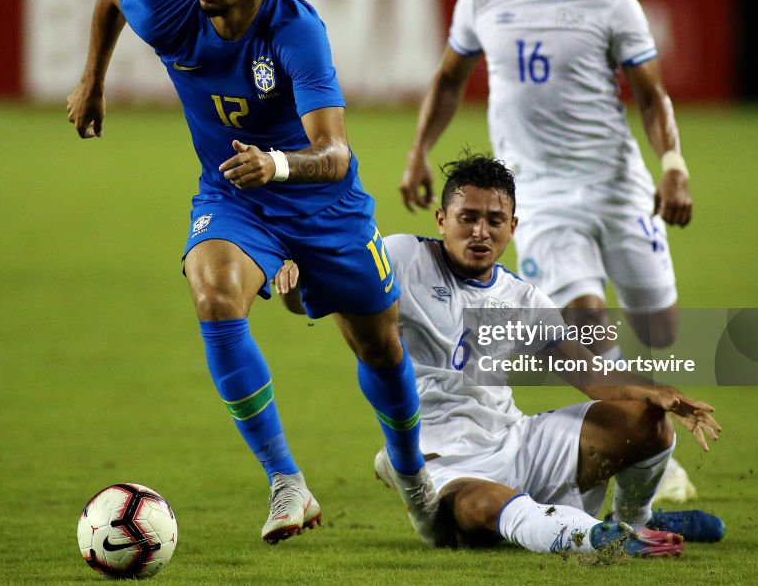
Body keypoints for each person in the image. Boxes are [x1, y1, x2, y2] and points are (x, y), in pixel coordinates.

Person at [65, 0, 438, 545]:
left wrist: (279, 162)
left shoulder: (296, 30)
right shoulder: (171, 15)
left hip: (325, 207)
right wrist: (93, 78)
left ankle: (412, 477)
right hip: (234, 197)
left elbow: (335, 151)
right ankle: (286, 480)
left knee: (379, 345)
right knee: (212, 293)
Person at [398, 0, 697, 501]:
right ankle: (635, 457)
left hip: (617, 184)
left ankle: (636, 430)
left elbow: (651, 95)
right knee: (585, 320)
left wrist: (673, 164)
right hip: (539, 193)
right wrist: (418, 152)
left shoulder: (612, 1)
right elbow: (450, 79)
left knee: (662, 327)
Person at [276, 154, 723, 555]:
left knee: (648, 420)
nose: (480, 232)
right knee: (487, 507)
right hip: (447, 465)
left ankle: (631, 521)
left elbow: (591, 375)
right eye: (467, 217)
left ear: (513, 227)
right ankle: (600, 541)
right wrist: (295, 292)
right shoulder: (400, 257)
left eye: (494, 220)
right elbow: (325, 298)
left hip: (517, 442)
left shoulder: (522, 299)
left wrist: (660, 393)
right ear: (440, 219)